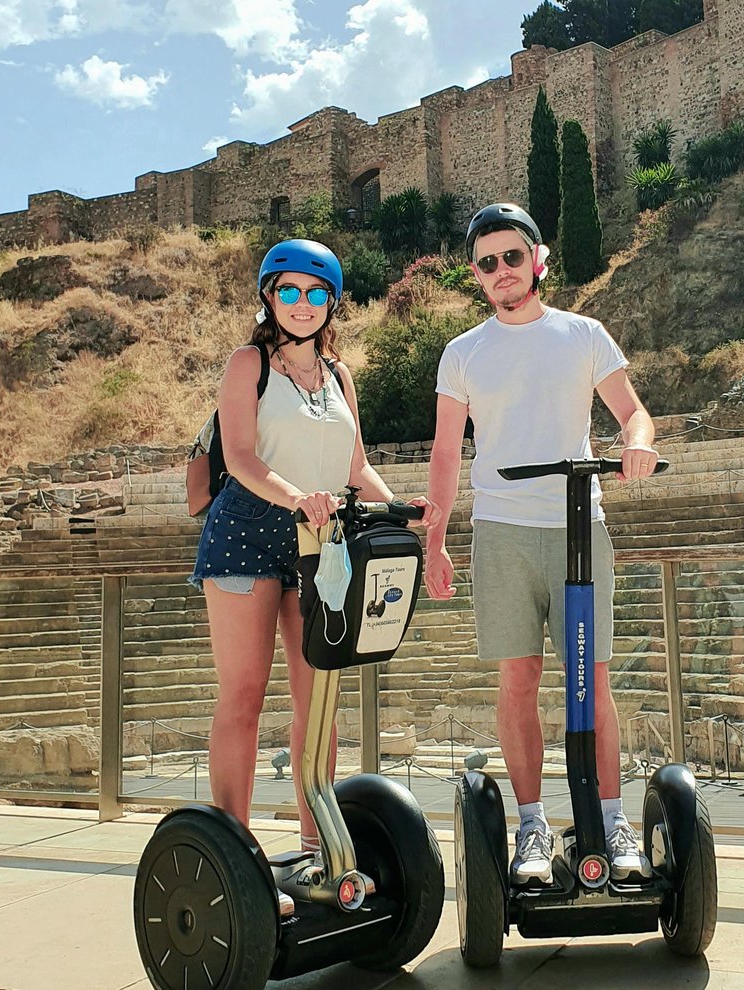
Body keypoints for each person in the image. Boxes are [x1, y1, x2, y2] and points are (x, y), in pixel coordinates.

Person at [424, 203, 660, 885]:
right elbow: (445, 453)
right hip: (500, 529)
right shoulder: (463, 353)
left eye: (513, 257)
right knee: (518, 678)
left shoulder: (583, 334)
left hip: (579, 525)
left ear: (538, 260)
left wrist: (637, 445)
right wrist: (435, 541)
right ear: (475, 274)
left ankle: (612, 822)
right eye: (488, 262)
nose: (502, 271)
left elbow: (631, 411)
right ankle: (532, 826)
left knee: (593, 683)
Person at [189, 238, 431, 882]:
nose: (302, 304)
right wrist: (299, 499)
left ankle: (315, 844)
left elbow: (356, 468)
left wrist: (407, 511)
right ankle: (232, 853)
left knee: (315, 697)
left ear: (333, 302)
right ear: (270, 296)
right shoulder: (249, 365)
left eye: (316, 292)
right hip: (247, 530)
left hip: (321, 539)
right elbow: (240, 456)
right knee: (243, 693)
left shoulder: (340, 376)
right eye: (290, 290)